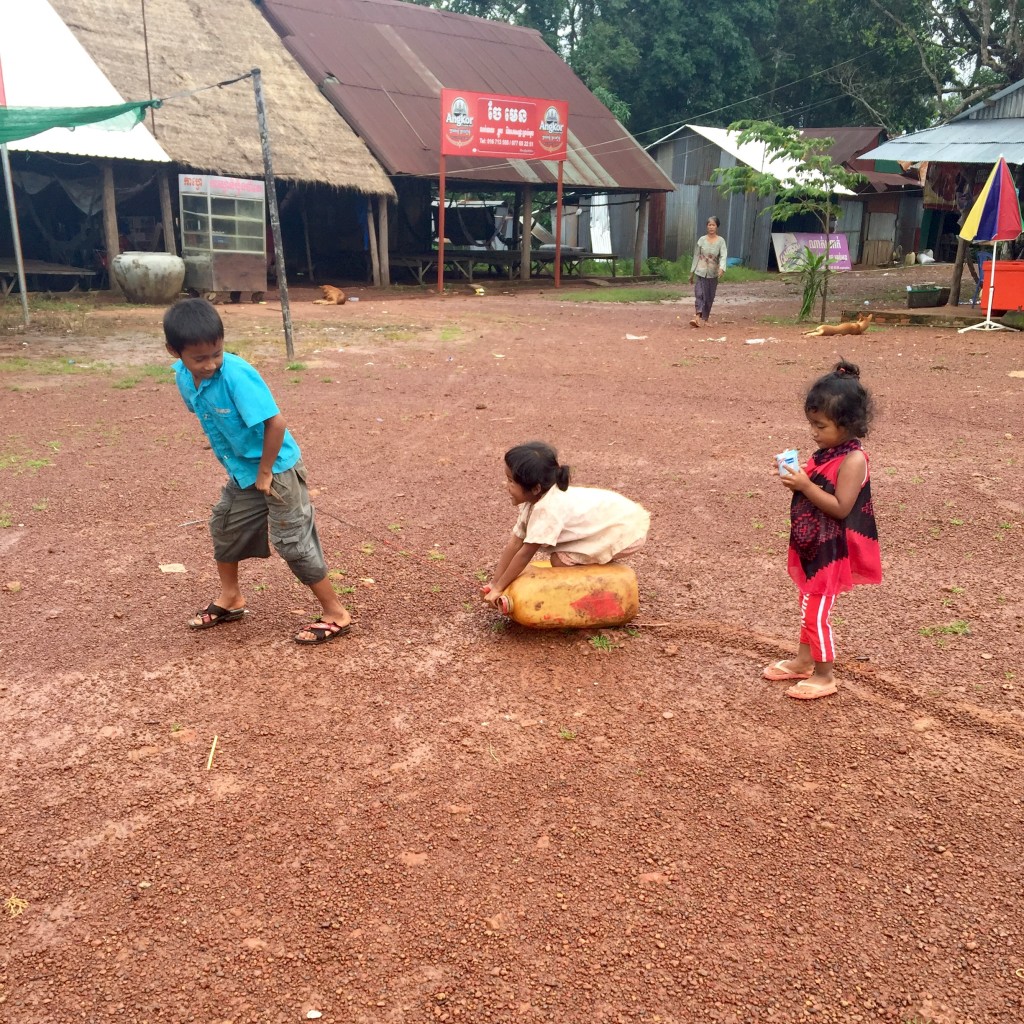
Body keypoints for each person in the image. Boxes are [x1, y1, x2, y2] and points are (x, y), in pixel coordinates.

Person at [163, 298, 352, 645]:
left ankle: (335, 612)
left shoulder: (236, 375)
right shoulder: (182, 377)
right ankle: (231, 598)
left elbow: (276, 423)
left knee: (291, 540)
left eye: (216, 353)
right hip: (242, 471)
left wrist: (265, 470)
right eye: (199, 358)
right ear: (174, 352)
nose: (210, 364)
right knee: (224, 524)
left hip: (275, 467)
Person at [764, 361, 882, 699]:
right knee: (807, 604)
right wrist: (796, 479)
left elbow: (841, 507)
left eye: (820, 425)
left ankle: (825, 674)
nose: (814, 432)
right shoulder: (828, 451)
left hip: (832, 552)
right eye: (811, 424)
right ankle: (803, 662)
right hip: (812, 545)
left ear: (847, 424)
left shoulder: (853, 459)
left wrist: (804, 484)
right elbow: (815, 489)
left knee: (816, 612)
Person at [482, 442, 650, 604]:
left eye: (511, 481)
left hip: (626, 531)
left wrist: (499, 588)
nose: (506, 486)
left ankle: (596, 592)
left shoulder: (548, 510)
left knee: (560, 561)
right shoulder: (533, 500)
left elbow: (525, 553)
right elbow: (515, 542)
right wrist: (495, 583)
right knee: (561, 558)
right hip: (616, 520)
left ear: (535, 488)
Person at [688, 215, 727, 328]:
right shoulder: (701, 240)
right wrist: (691, 273)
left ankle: (705, 318)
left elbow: (723, 256)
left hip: (713, 273)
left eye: (713, 225)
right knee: (699, 294)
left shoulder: (721, 241)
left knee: (709, 297)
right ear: (706, 226)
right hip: (700, 271)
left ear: (717, 227)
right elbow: (696, 256)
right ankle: (697, 316)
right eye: (709, 225)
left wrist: (722, 268)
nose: (711, 227)